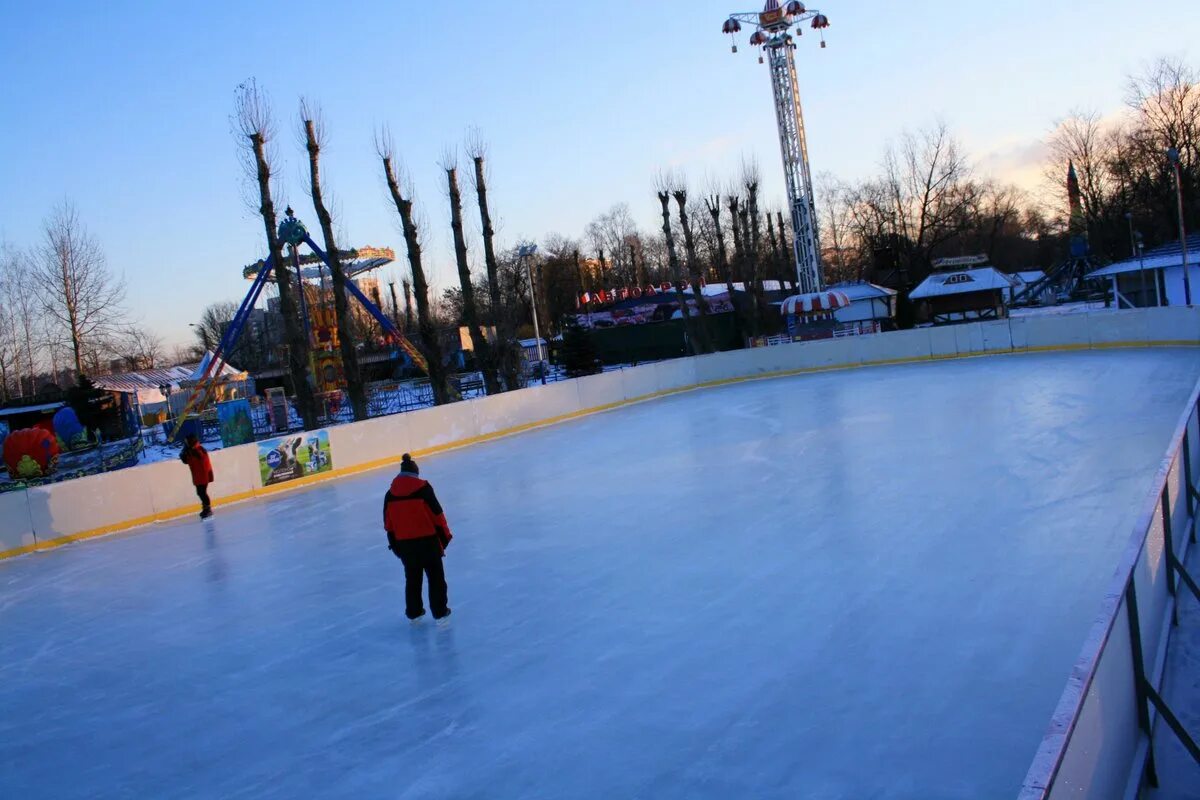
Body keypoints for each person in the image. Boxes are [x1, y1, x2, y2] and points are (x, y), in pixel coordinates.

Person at [384, 453, 453, 621]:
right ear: (415, 473)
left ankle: (414, 612)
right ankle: (440, 611)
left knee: (413, 579)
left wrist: (396, 546)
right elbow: (437, 515)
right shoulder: (424, 489)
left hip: (405, 545)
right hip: (428, 542)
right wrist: (445, 538)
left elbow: (388, 525)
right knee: (436, 578)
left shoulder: (390, 494)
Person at [180, 434, 214, 519]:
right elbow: (187, 461)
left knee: (202, 492)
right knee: (200, 492)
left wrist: (190, 452)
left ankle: (208, 509)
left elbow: (202, 458)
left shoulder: (199, 449)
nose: (186, 443)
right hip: (197, 475)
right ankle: (206, 508)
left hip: (203, 475)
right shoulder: (191, 450)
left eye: (187, 441)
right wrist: (184, 456)